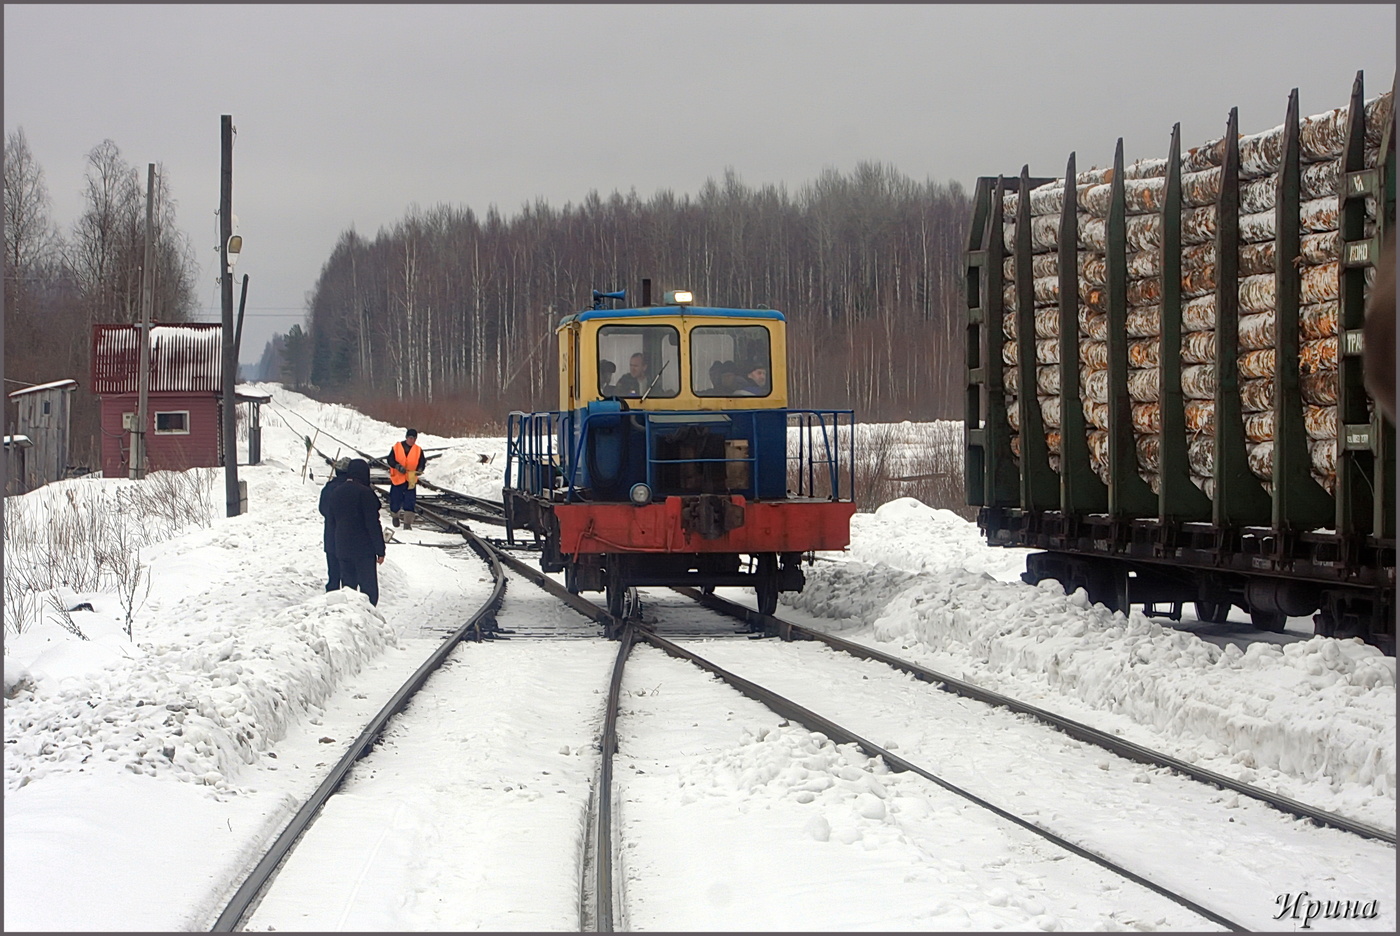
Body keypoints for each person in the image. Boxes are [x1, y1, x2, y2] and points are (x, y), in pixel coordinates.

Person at [327, 458, 386, 605]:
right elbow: (373, 524)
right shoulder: (365, 493)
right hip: (363, 550)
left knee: (348, 589)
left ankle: (350, 619)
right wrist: (380, 549)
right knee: (369, 591)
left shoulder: (336, 492)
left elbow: (332, 520)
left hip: (342, 547)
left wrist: (334, 547)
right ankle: (368, 619)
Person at [317, 456, 351, 591]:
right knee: (348, 574)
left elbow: (322, 509)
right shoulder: (353, 488)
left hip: (331, 534)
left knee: (333, 572)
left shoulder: (329, 487)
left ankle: (331, 595)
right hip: (349, 536)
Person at [386, 428, 426, 529]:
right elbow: (390, 460)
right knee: (395, 500)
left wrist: (420, 469)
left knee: (410, 501)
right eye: (411, 438)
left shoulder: (418, 450)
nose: (412, 440)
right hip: (398, 479)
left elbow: (422, 462)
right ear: (407, 437)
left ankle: (407, 523)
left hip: (411, 480)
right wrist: (397, 466)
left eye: (414, 438)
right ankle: (395, 516)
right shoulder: (397, 447)